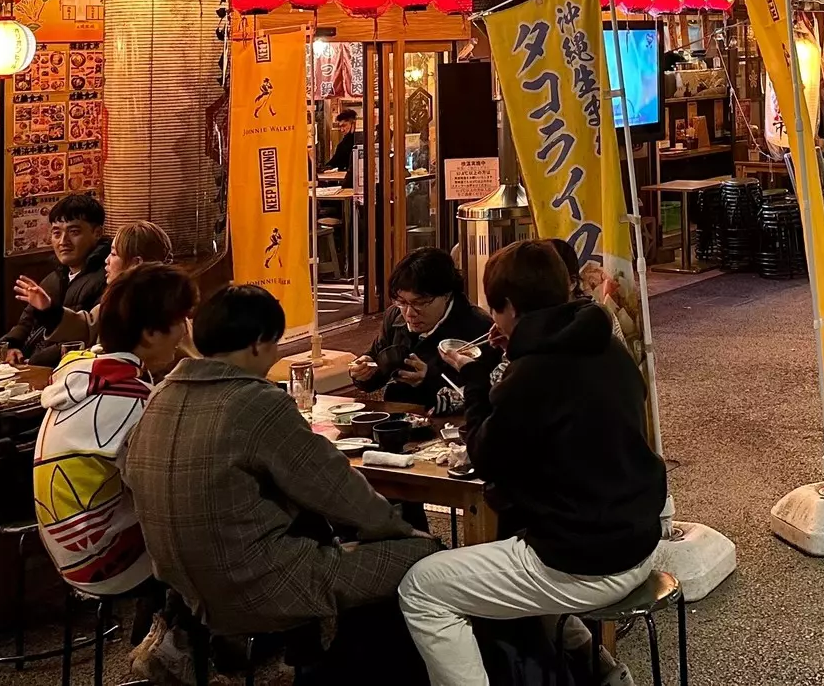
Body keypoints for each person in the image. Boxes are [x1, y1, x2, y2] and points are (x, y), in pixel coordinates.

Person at [124, 285, 436, 682]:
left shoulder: (159, 396)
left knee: (338, 541)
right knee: (420, 558)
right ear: (257, 344)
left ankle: (323, 659)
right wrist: (402, 532)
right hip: (255, 585)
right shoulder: (254, 400)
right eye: (275, 345)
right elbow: (337, 488)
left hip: (184, 588)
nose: (275, 356)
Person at [401, 241, 667, 686]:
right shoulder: (604, 344)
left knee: (422, 588)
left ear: (506, 307)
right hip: (638, 538)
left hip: (585, 558)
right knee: (515, 574)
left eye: (496, 308)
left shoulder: (537, 370)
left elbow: (487, 456)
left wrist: (474, 377)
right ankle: (601, 672)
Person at [34, 262, 197, 598]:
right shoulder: (128, 397)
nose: (185, 330)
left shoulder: (82, 374)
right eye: (181, 320)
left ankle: (169, 627)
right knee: (216, 515)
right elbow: (168, 489)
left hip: (65, 552)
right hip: (106, 561)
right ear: (151, 333)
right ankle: (184, 635)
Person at [348, 248, 497, 407]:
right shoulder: (395, 316)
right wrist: (363, 374)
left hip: (453, 424)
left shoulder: (479, 327)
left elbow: (486, 393)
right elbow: (378, 363)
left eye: (420, 302)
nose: (410, 313)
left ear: (446, 295)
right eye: (402, 302)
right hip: (400, 418)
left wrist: (428, 379)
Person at [2, 193, 113, 367]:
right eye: (56, 233)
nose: (63, 241)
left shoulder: (107, 278)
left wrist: (35, 361)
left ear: (97, 233)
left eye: (74, 232)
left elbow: (88, 339)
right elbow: (26, 322)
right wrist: (12, 346)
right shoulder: (52, 279)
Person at [45, 219, 174, 351]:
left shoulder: (161, 305)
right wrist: (47, 308)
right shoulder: (120, 298)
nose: (107, 260)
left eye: (113, 254)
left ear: (136, 263)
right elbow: (87, 325)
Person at [322, 109, 362, 181]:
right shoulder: (343, 143)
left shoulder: (357, 141)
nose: (342, 130)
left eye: (344, 125)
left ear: (353, 123)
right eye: (340, 127)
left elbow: (334, 162)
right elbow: (334, 162)